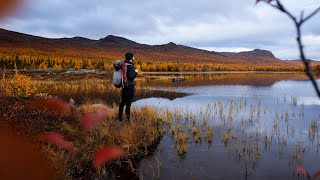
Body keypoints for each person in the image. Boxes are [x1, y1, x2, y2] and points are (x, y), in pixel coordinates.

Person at [119, 52, 138, 121]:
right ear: (131, 58)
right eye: (133, 57)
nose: (134, 58)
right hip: (130, 87)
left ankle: (120, 118)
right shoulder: (130, 66)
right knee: (128, 104)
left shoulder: (124, 65)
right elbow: (131, 76)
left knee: (122, 102)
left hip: (124, 86)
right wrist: (136, 72)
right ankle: (128, 120)